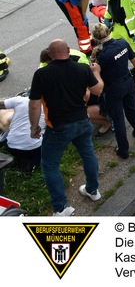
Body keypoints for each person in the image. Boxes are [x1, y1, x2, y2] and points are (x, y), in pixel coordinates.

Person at [28, 39, 104, 216]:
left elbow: (33, 105)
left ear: (49, 54)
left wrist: (34, 127)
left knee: (49, 165)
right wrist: (97, 73)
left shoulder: (41, 74)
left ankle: (61, 207)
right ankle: (93, 190)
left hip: (58, 128)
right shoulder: (82, 68)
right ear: (68, 50)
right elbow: (97, 91)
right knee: (88, 155)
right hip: (83, 122)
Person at [90, 24, 135, 159]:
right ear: (108, 31)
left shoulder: (102, 55)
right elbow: (134, 59)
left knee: (118, 119)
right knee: (132, 109)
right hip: (128, 82)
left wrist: (93, 55)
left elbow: (93, 70)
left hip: (113, 89)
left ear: (95, 38)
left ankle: (123, 150)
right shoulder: (122, 43)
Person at [38, 48, 111, 135]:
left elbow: (87, 92)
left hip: (94, 92)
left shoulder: (78, 61)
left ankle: (107, 121)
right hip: (83, 90)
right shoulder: (46, 63)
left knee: (77, 114)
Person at [0, 93, 44, 172]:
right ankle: (30, 164)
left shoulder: (19, 100)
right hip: (35, 147)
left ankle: (21, 162)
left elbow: (1, 104)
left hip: (12, 146)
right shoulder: (51, 108)